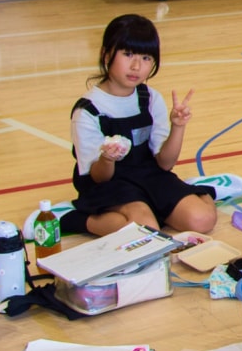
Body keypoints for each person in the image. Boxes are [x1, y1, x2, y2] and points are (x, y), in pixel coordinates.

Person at [64, 14, 219, 236]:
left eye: (146, 58)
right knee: (145, 232)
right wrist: (107, 158)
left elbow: (165, 164)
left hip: (147, 173)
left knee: (202, 220)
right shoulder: (88, 110)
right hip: (109, 182)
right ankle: (78, 220)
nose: (136, 66)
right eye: (127, 54)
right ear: (106, 53)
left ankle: (176, 199)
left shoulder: (150, 98)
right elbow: (98, 177)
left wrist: (178, 126)